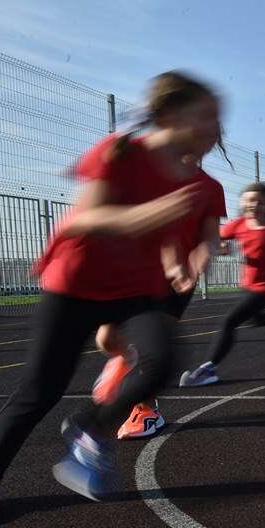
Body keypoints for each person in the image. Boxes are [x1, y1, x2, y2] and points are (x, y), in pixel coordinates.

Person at [0, 70, 222, 527]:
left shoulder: (199, 186)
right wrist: (145, 216)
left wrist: (182, 261)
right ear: (169, 115)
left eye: (217, 119)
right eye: (205, 116)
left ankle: (89, 429)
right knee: (39, 392)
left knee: (163, 360)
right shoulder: (121, 152)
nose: (214, 128)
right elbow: (81, 220)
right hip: (76, 284)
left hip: (138, 288)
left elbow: (173, 233)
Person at [92, 153, 226, 439]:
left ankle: (146, 412)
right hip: (137, 271)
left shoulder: (211, 188)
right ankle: (126, 358)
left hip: (177, 280)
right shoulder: (149, 175)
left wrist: (200, 257)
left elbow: (211, 237)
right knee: (106, 338)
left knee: (152, 352)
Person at [179, 182, 265, 388]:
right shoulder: (238, 224)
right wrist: (221, 247)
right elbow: (215, 239)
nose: (252, 205)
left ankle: (208, 369)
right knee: (254, 321)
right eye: (248, 201)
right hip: (247, 284)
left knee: (228, 322)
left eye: (259, 201)